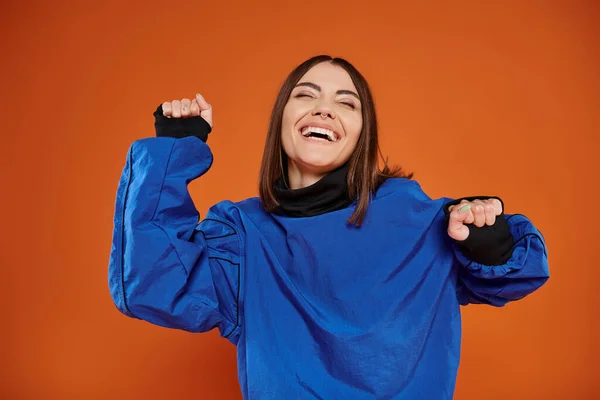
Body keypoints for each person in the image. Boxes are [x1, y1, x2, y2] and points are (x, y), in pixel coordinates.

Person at [108, 55, 550, 399]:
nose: (324, 110)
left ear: (363, 134)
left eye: (346, 102)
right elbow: (152, 284)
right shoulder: (243, 239)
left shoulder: (419, 222)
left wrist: (490, 242)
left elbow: (519, 271)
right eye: (306, 95)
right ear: (281, 119)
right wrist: (173, 150)